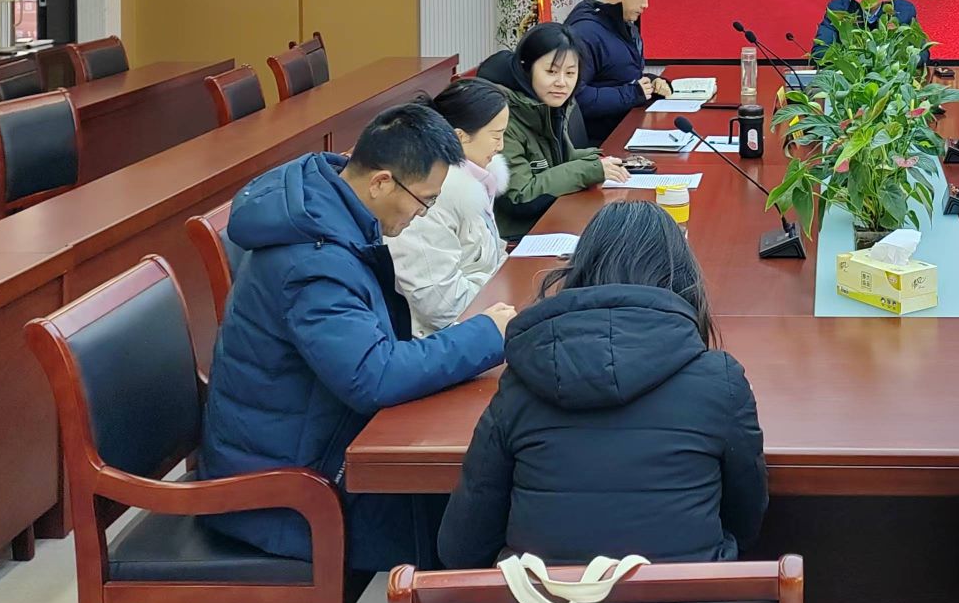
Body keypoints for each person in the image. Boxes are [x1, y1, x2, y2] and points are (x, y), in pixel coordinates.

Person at [200, 104, 517, 570]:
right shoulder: (313, 262)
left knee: (483, 495)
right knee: (478, 517)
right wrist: (486, 335)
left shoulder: (328, 210)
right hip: (288, 491)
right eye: (424, 201)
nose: (423, 214)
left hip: (314, 441)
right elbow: (374, 377)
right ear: (382, 182)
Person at [437, 199, 768, 567]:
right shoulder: (720, 382)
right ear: (681, 279)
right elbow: (746, 524)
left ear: (579, 271)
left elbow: (462, 547)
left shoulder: (521, 383)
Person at [475, 23, 631, 240]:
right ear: (526, 68)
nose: (562, 83)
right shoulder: (503, 115)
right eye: (551, 72)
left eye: (570, 73)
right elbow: (520, 196)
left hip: (551, 219)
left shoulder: (548, 104)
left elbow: (558, 159)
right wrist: (591, 169)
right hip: (519, 236)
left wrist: (601, 160)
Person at [389, 81, 513, 335]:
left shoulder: (476, 181)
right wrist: (504, 291)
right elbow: (439, 303)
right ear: (460, 137)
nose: (501, 146)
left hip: (483, 312)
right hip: (443, 335)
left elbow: (489, 256)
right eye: (496, 135)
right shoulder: (429, 197)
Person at [567, 0, 673, 145]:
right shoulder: (585, 33)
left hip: (628, 130)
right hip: (603, 144)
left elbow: (618, 76)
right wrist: (633, 94)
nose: (646, 4)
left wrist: (651, 82)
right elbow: (575, 98)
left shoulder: (624, 24)